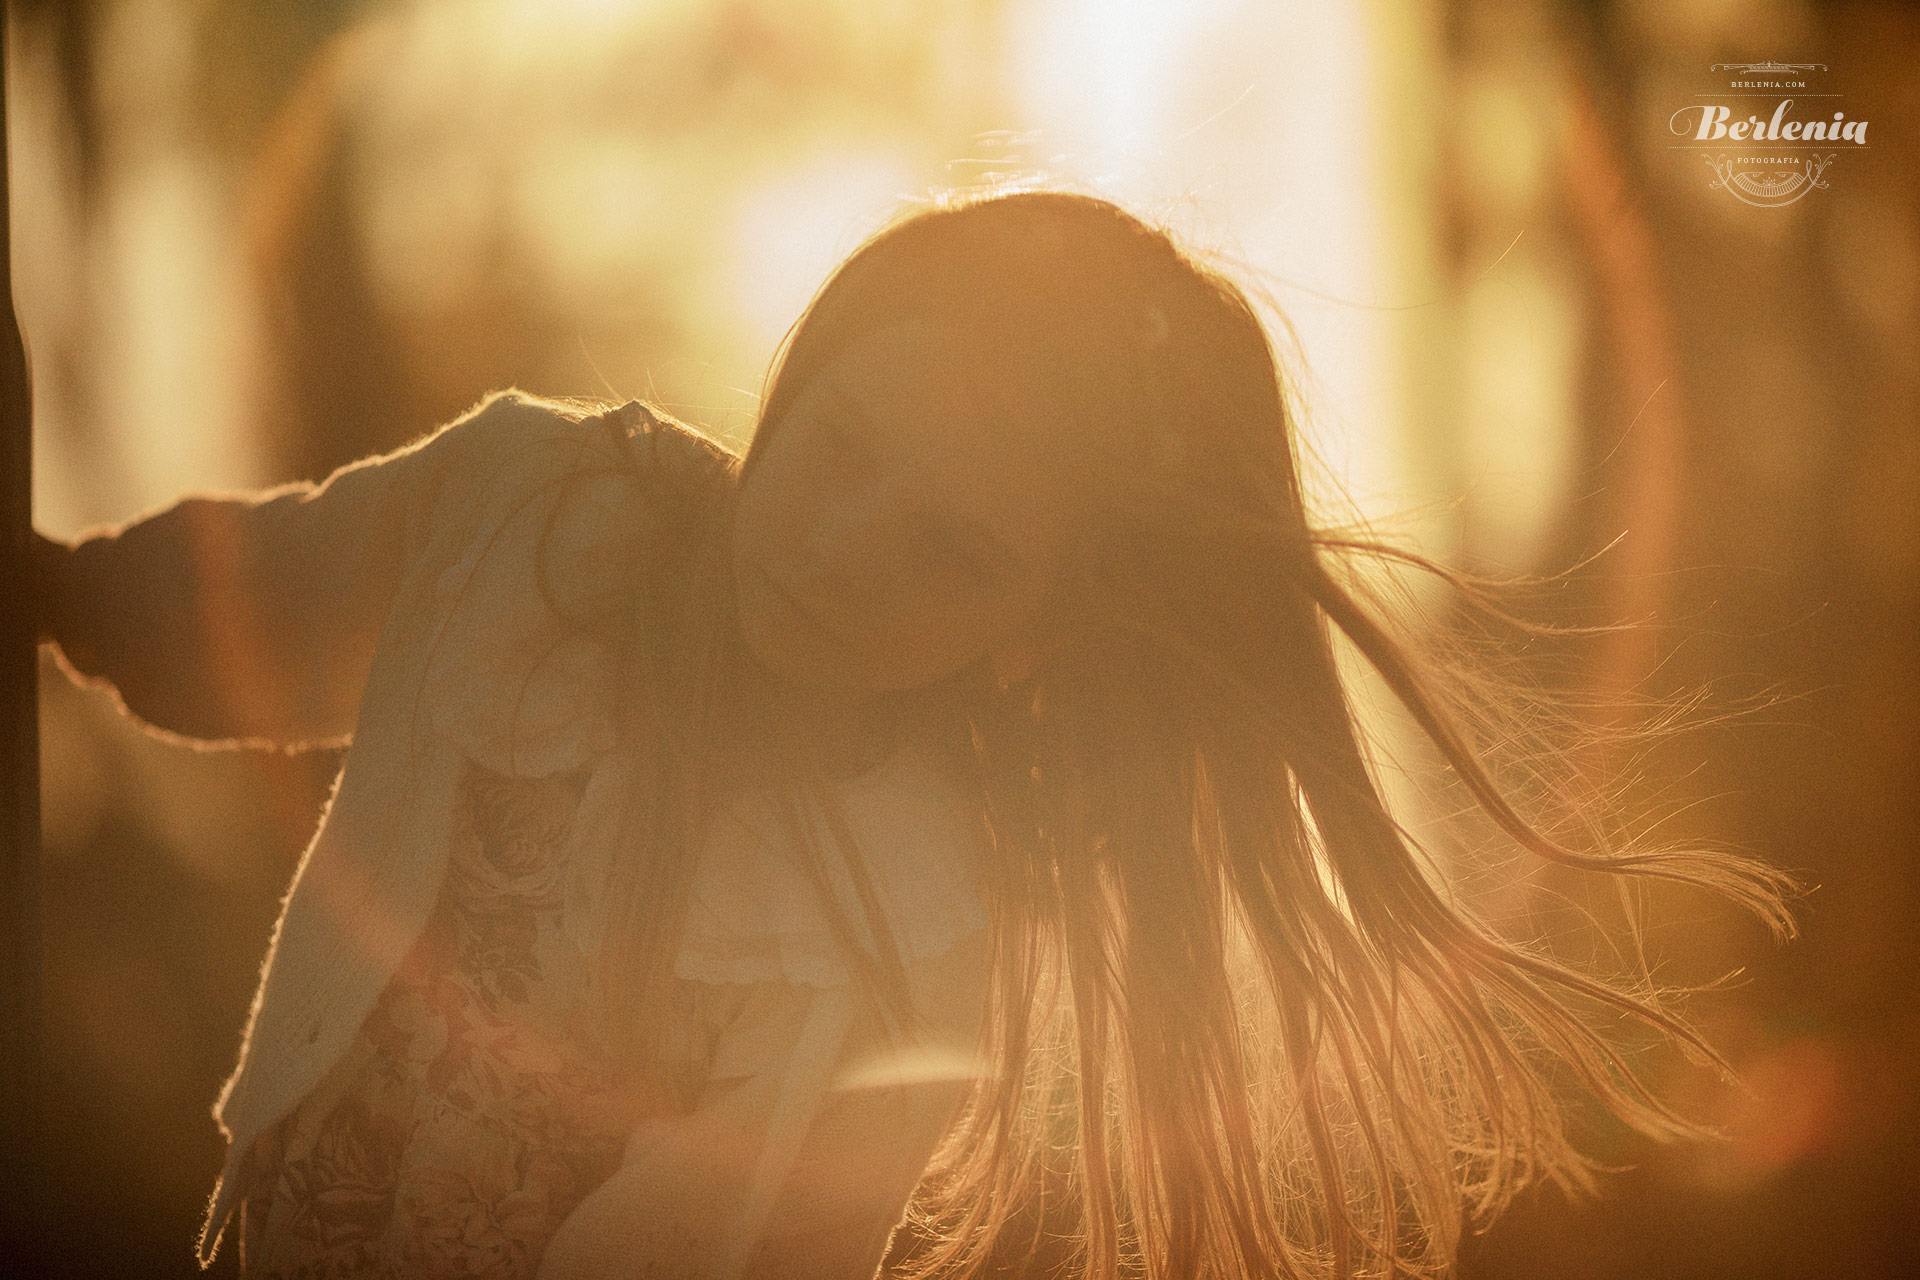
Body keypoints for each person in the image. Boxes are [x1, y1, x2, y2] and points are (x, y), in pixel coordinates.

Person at [32, 188, 1793, 1280]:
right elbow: (245, 614)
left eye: (950, 550)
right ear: (802, 372)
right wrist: (54, 592)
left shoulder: (922, 936)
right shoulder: (534, 506)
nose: (835, 540)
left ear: (1035, 640)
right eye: (845, 442)